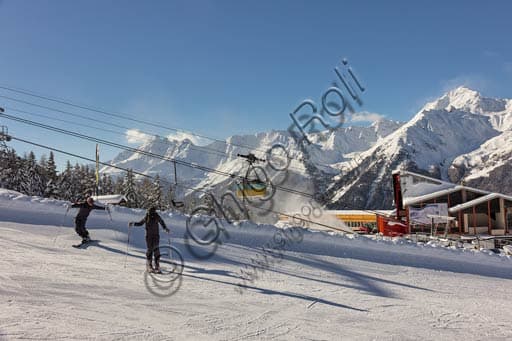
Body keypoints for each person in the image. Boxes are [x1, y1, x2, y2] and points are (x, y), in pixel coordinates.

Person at [129, 207, 169, 273]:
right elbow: (140, 223)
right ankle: (150, 265)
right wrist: (133, 223)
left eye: (151, 212)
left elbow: (162, 222)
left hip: (155, 236)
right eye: (150, 212)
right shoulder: (147, 217)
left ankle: (156, 265)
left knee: (156, 250)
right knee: (150, 249)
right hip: (149, 236)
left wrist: (165, 228)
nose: (151, 213)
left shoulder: (156, 216)